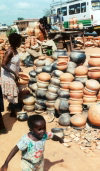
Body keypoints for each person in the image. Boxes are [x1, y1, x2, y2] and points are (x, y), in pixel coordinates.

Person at [1, 33, 22, 117]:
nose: (21, 43)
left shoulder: (15, 50)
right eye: (20, 41)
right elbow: (3, 64)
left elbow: (14, 62)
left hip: (12, 74)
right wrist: (14, 73)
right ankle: (13, 112)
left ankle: (12, 109)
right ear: (15, 41)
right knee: (12, 92)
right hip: (7, 75)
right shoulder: (10, 51)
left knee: (13, 92)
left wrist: (18, 69)